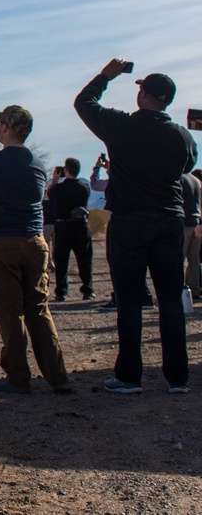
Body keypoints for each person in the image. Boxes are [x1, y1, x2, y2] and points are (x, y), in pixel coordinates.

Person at [74, 63, 197, 394]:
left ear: (142, 94)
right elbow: (188, 165)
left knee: (129, 300)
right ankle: (178, 377)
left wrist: (104, 77)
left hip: (129, 220)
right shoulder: (181, 136)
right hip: (170, 219)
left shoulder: (121, 126)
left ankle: (129, 377)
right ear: (167, 101)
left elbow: (84, 103)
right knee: (170, 298)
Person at [0, 105, 73, 395]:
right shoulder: (36, 164)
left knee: (9, 312)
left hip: (2, 242)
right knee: (38, 308)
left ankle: (17, 376)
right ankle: (57, 375)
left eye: (0, 123)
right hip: (35, 241)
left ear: (6, 128)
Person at [92, 155, 154, 312]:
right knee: (136, 262)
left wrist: (97, 168)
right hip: (137, 222)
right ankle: (144, 296)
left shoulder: (112, 182)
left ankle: (120, 297)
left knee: (117, 262)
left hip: (118, 223)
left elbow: (95, 184)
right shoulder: (135, 181)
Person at [48, 158, 94, 301]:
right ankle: (88, 289)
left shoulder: (60, 188)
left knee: (61, 259)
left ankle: (61, 291)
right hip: (81, 225)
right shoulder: (84, 188)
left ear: (66, 170)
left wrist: (55, 179)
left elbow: (49, 195)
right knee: (84, 258)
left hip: (63, 226)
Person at [181, 171, 201, 299]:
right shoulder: (196, 181)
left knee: (179, 257)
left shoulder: (179, 179)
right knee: (194, 258)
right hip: (196, 221)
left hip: (184, 221)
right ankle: (194, 288)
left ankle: (179, 288)